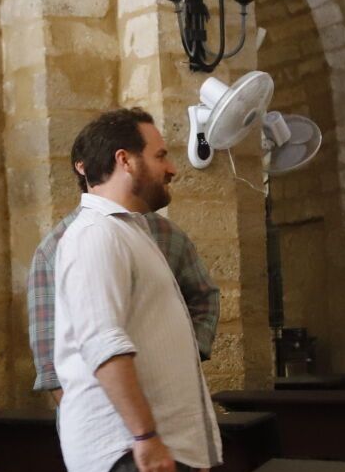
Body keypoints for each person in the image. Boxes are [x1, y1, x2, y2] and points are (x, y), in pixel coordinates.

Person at [54, 109, 221, 472]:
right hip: (129, 457)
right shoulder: (97, 234)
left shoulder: (130, 231)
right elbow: (103, 345)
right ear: (125, 160)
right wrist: (145, 437)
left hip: (156, 450)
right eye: (161, 154)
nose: (172, 169)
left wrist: (192, 444)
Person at [27, 141, 219, 400]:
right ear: (83, 169)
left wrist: (186, 354)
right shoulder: (53, 249)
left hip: (171, 394)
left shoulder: (167, 235)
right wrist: (85, 413)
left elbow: (203, 296)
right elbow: (50, 357)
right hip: (98, 401)